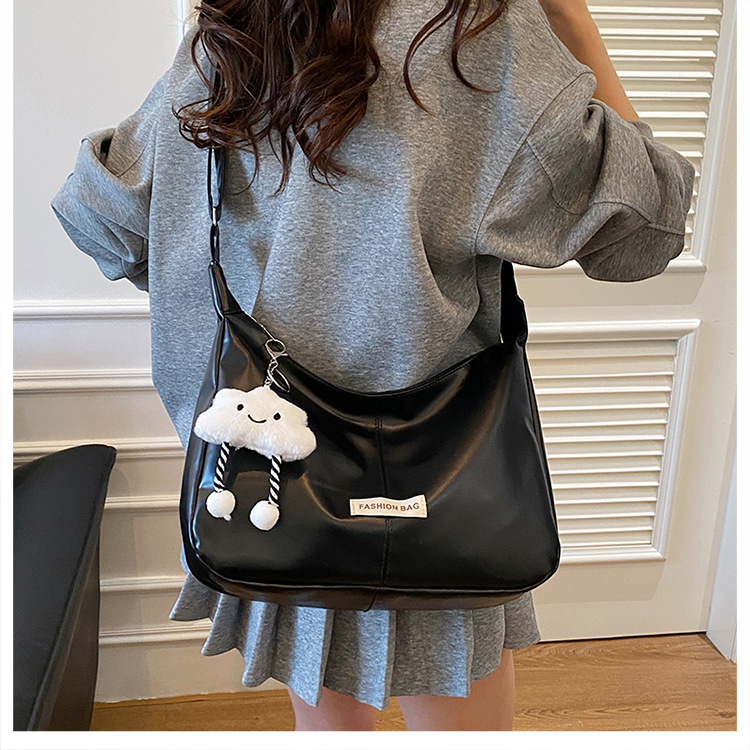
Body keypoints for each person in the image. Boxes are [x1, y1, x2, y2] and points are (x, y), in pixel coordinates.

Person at [49, 0, 695, 732]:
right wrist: (573, 22)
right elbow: (645, 229)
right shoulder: (478, 32)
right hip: (440, 480)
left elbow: (102, 219)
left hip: (269, 475)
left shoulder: (239, 27)